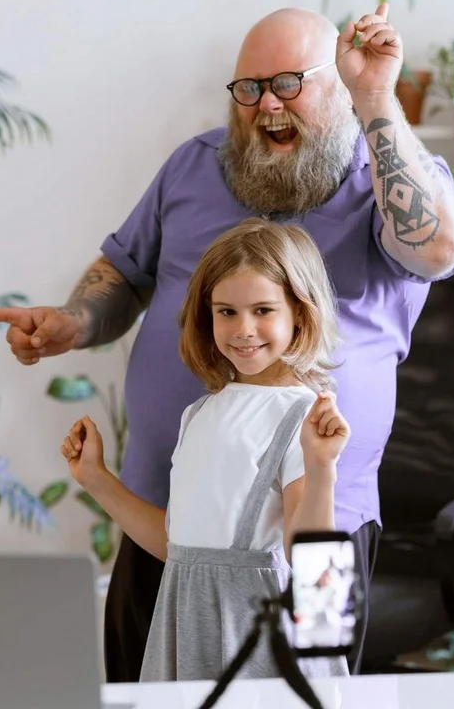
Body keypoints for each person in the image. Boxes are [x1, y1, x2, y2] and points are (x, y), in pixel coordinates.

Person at [0, 2, 454, 679]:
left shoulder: (380, 178)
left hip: (326, 523)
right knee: (144, 687)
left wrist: (377, 97)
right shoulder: (194, 166)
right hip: (171, 516)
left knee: (311, 692)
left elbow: (438, 248)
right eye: (249, 88)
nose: (266, 103)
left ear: (339, 83)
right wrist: (74, 321)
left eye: (289, 83)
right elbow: (123, 270)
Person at [60, 218, 350, 680]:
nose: (243, 328)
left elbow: (309, 558)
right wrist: (96, 479)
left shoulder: (303, 416)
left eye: (263, 309)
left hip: (254, 631)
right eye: (226, 312)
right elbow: (178, 547)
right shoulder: (198, 414)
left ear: (300, 311)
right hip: (183, 617)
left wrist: (321, 468)